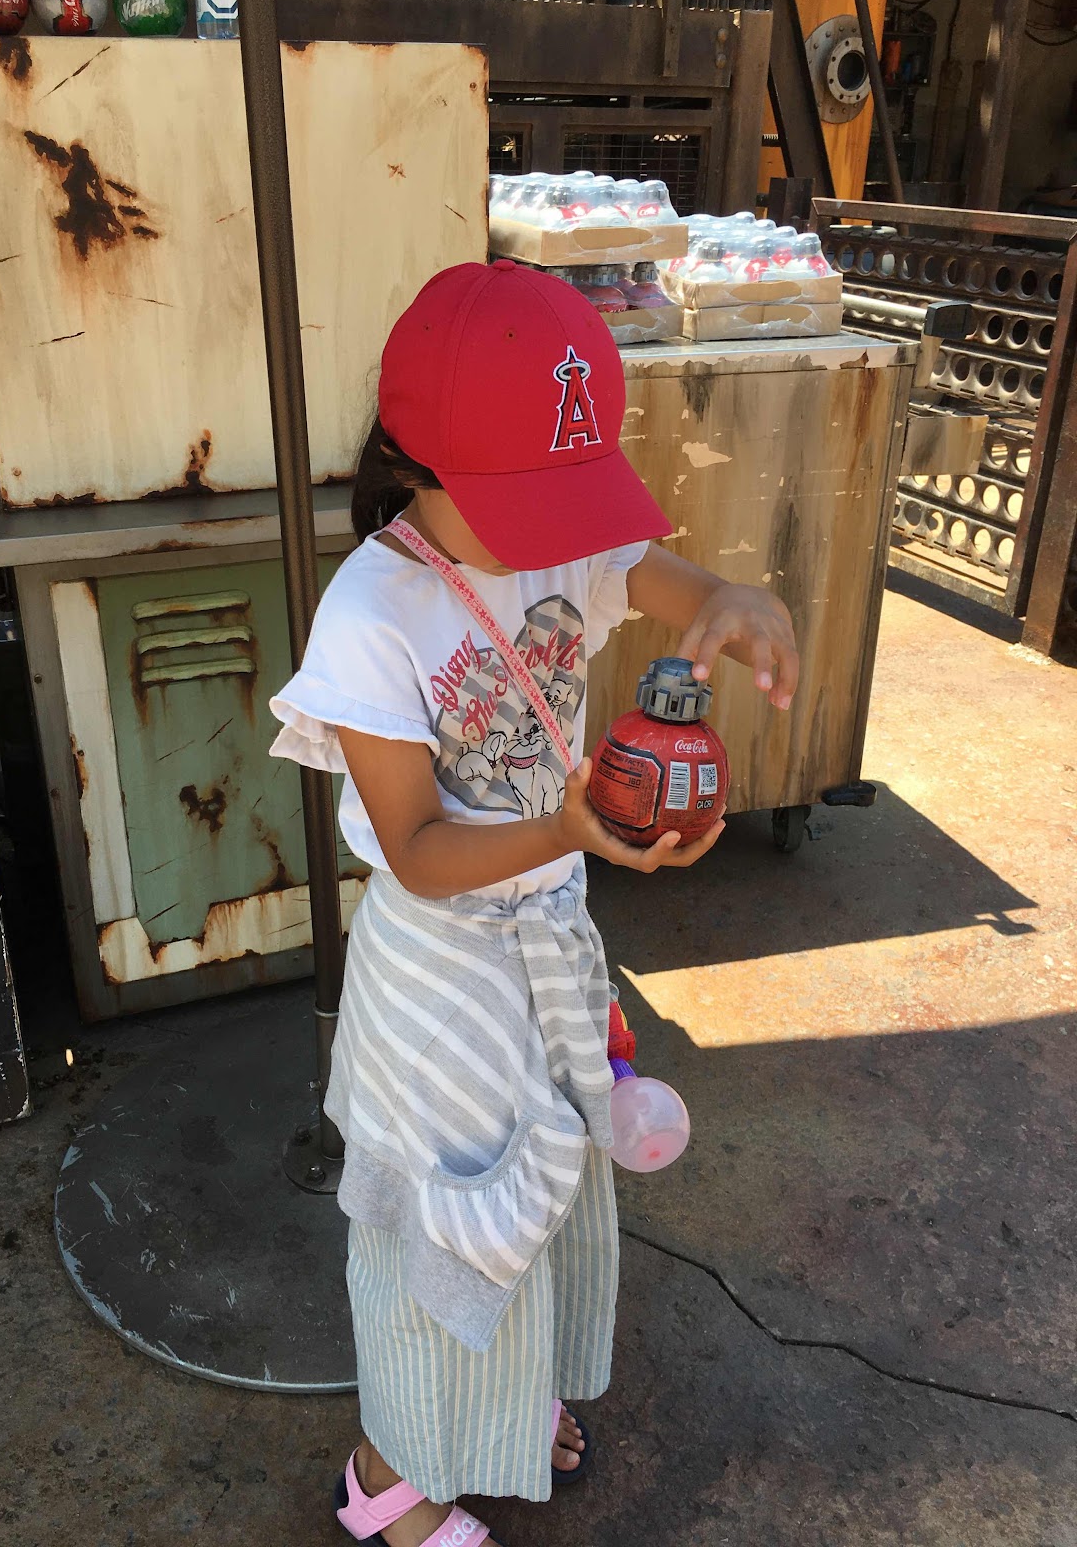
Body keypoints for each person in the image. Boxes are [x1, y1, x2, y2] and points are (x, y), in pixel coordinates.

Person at [269, 260, 798, 1547]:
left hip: (546, 945)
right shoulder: (371, 611)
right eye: (525, 500)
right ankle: (390, 1479)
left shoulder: (557, 533)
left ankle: (500, 1405)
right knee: (439, 1231)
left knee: (539, 1195)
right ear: (418, 466)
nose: (557, 534)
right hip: (439, 973)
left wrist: (730, 601)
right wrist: (565, 829)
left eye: (571, 498)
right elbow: (415, 848)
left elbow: (660, 577)